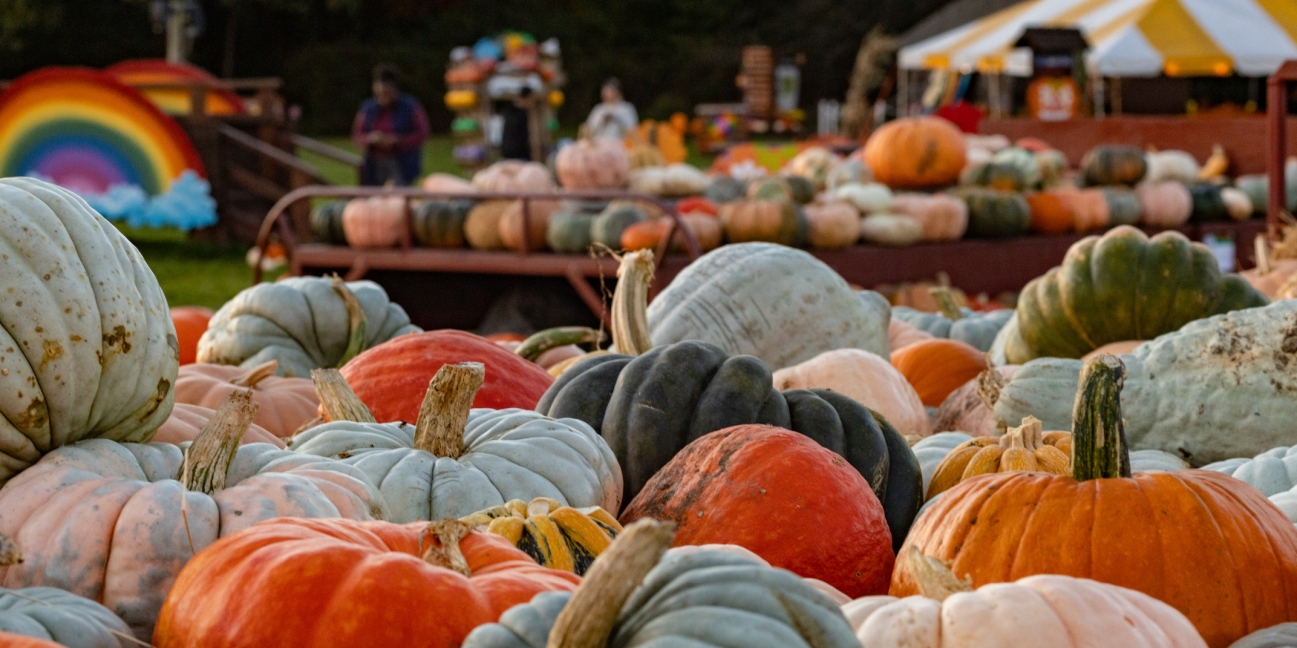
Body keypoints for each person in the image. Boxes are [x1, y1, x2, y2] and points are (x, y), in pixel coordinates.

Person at [351, 64, 430, 185]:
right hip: (374, 163)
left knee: (398, 196)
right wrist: (370, 139)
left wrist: (398, 141)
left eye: (386, 92)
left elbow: (422, 133)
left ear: (394, 89)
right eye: (379, 93)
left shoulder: (410, 106)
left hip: (402, 163)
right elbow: (358, 134)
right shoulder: (368, 108)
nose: (383, 97)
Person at [500, 87, 534, 161]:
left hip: (507, 153)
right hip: (518, 154)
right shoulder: (521, 114)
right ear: (528, 97)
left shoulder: (509, 112)